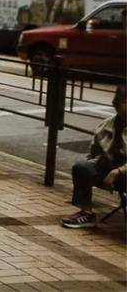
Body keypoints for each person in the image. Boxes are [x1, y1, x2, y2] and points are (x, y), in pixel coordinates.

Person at [61, 85, 126, 228]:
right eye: (124, 101)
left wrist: (119, 171)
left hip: (123, 172)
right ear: (118, 103)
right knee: (82, 167)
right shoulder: (107, 125)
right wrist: (97, 166)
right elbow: (94, 152)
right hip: (109, 169)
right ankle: (86, 213)